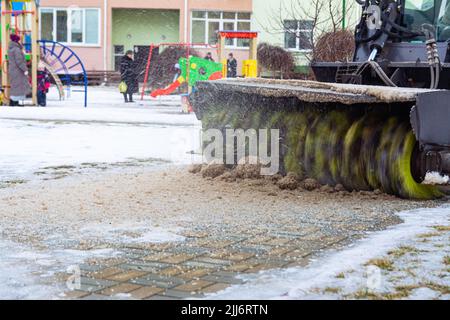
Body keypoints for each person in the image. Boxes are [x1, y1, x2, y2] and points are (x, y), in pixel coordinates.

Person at [8, 34, 31, 106]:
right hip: (17, 71)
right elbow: (19, 61)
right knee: (18, 86)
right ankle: (15, 102)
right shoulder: (16, 50)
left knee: (15, 85)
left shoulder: (11, 48)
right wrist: (25, 69)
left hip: (13, 70)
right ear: (16, 41)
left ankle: (13, 101)